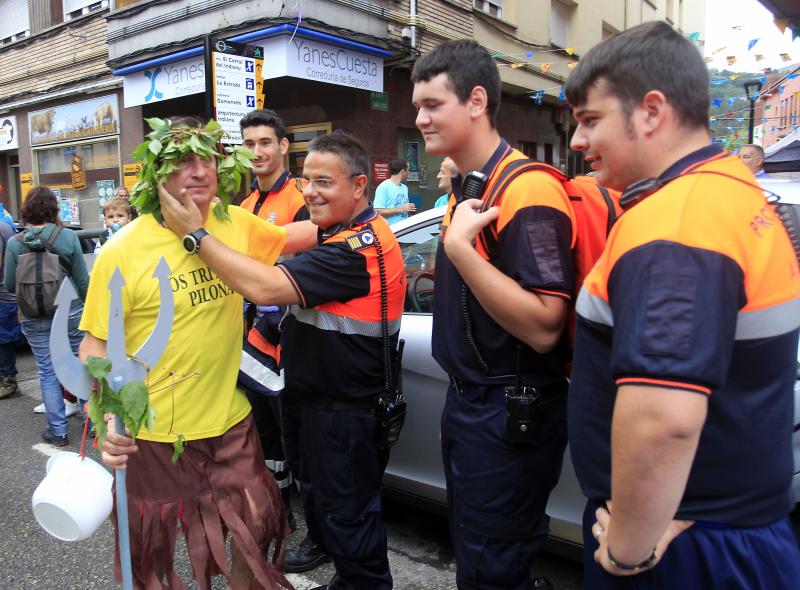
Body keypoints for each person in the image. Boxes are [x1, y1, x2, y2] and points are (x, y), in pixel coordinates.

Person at [564, 21, 800, 588]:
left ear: (650, 111)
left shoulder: (676, 222)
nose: (577, 142)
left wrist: (627, 550)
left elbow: (663, 420)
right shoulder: (731, 193)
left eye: (590, 120)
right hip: (728, 527)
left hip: (688, 546)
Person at [158, 132, 404, 590]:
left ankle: (363, 582)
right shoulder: (339, 227)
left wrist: (195, 235)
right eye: (307, 179)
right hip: (325, 407)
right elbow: (276, 237)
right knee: (336, 515)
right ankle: (350, 580)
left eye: (323, 182)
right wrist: (214, 216)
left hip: (343, 415)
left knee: (350, 520)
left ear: (359, 186)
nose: (309, 191)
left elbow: (265, 288)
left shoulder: (353, 252)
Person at [80, 116, 316, 589]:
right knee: (151, 554)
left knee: (256, 522)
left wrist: (363, 219)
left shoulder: (232, 223)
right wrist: (109, 420)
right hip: (153, 435)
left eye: (206, 158)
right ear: (156, 174)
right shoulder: (123, 251)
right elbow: (93, 347)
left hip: (228, 423)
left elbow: (295, 238)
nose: (199, 170)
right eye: (181, 161)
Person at [411, 40, 575, 590]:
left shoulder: (526, 188)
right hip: (475, 405)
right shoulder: (471, 185)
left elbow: (545, 325)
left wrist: (459, 251)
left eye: (433, 104)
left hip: (508, 412)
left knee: (492, 568)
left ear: (476, 100)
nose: (420, 118)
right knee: (479, 558)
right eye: (417, 106)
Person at [237, 108, 312, 553]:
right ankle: (277, 512)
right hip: (252, 339)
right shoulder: (246, 205)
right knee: (265, 434)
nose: (258, 152)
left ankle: (302, 522)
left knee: (290, 432)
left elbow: (302, 270)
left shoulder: (301, 198)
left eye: (266, 142)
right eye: (249, 145)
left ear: (284, 146)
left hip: (289, 336)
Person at [3, 187, 88, 446]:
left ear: (26, 210)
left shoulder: (15, 243)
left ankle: (58, 431)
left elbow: (8, 284)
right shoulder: (68, 237)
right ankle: (93, 423)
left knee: (47, 371)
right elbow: (83, 281)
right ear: (54, 209)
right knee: (81, 363)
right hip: (70, 310)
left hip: (34, 315)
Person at [0, 212, 21, 400]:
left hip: (4, 296)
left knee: (3, 340)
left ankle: (9, 381)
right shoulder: (5, 224)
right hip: (7, 295)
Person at [373, 158, 415, 224]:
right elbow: (377, 211)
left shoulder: (404, 188)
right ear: (403, 171)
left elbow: (404, 209)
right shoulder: (384, 186)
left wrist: (408, 210)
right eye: (408, 170)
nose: (409, 172)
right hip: (391, 230)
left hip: (405, 229)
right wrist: (400, 209)